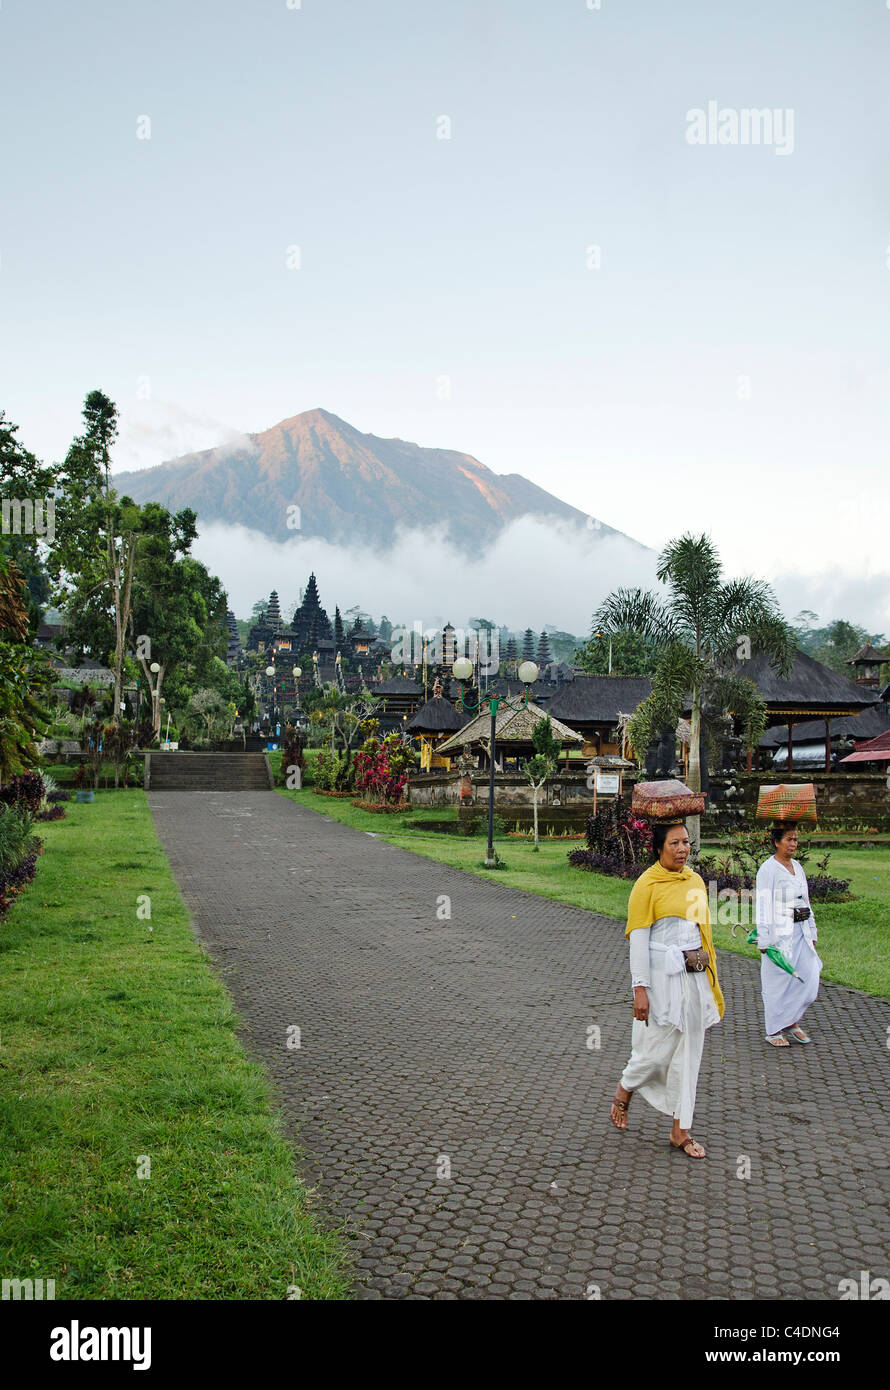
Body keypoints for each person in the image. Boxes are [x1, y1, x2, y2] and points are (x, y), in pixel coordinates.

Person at [609, 820, 724, 1158]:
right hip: (660, 981)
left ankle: (680, 1130)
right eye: (674, 843)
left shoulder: (696, 881)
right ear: (658, 848)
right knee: (654, 1050)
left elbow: (701, 934)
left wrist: (707, 978)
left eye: (686, 842)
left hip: (693, 977)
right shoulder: (647, 885)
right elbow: (638, 942)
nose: (682, 849)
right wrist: (639, 989)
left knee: (690, 1054)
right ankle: (626, 1087)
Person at [755, 823, 821, 1046]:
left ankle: (791, 1020)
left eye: (795, 839)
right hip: (778, 933)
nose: (793, 844)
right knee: (778, 981)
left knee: (808, 976)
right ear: (777, 842)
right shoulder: (768, 869)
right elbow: (763, 905)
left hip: (800, 931)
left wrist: (812, 929)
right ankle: (774, 1029)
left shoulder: (797, 867)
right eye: (789, 839)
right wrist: (764, 938)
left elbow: (806, 901)